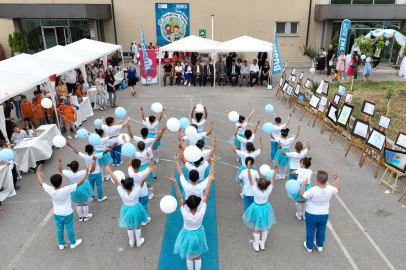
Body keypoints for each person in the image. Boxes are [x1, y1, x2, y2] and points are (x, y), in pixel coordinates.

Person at [167, 171, 214, 270]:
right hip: (198, 233)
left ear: (187, 205)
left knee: (189, 255)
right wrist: (209, 181)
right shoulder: (201, 212)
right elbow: (205, 195)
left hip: (186, 234)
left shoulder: (184, 212)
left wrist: (175, 183)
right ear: (198, 204)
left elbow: (180, 197)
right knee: (197, 255)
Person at [36, 163, 88, 250]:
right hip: (67, 213)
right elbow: (79, 183)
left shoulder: (50, 190)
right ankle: (73, 242)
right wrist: (86, 173)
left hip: (57, 213)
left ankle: (60, 243)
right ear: (61, 182)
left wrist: (38, 171)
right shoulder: (66, 189)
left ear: (52, 183)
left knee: (59, 228)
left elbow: (41, 182)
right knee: (69, 227)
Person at [107, 163, 154, 248]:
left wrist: (109, 170)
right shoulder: (136, 191)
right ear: (132, 186)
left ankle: (132, 242)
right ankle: (138, 241)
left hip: (126, 209)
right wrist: (149, 171)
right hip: (136, 208)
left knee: (129, 226)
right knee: (137, 225)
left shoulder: (122, 192)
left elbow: (116, 181)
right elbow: (143, 180)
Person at [301, 171, 340, 252]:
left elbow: (302, 196)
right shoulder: (330, 188)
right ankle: (319, 245)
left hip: (311, 213)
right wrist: (336, 179)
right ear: (327, 179)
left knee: (310, 230)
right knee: (322, 229)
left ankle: (309, 246)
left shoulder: (312, 190)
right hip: (324, 213)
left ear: (317, 179)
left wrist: (303, 185)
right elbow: (337, 189)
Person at [243, 160, 276, 251]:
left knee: (257, 227)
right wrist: (275, 169)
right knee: (264, 227)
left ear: (258, 185)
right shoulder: (268, 190)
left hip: (256, 208)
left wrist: (249, 168)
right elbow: (273, 179)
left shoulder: (255, 191)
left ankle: (256, 245)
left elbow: (250, 179)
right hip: (265, 207)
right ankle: (263, 244)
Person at [58, 155, 96, 221]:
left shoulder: (69, 173)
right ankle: (86, 216)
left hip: (74, 188)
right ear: (78, 166)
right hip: (83, 187)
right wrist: (94, 161)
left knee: (78, 203)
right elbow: (92, 169)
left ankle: (80, 217)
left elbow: (60, 169)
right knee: (85, 202)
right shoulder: (82, 172)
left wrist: (59, 161)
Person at [127, 154, 154, 225]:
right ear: (139, 166)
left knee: (136, 205)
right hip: (143, 192)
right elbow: (150, 166)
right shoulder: (142, 173)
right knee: (144, 206)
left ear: (132, 166)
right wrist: (148, 157)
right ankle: (144, 220)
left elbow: (128, 166)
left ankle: (137, 218)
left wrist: (131, 157)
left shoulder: (130, 173)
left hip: (135, 193)